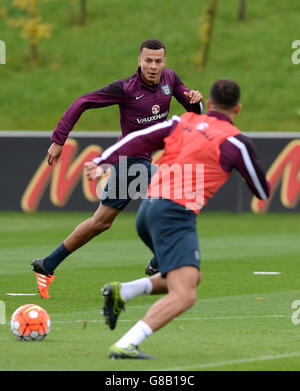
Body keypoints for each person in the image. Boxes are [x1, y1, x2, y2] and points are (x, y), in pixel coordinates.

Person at [85, 78, 270, 359]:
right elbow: (261, 190)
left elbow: (137, 139)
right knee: (185, 294)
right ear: (238, 109)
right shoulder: (236, 141)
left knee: (190, 276)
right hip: (175, 213)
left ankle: (124, 291)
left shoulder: (181, 122)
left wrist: (101, 161)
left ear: (208, 105)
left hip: (148, 210)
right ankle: (126, 344)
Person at [31, 38, 204, 299]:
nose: (153, 66)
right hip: (131, 163)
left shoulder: (170, 80)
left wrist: (195, 101)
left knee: (100, 222)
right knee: (181, 193)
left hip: (140, 164)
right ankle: (159, 261)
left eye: (158, 61)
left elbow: (195, 114)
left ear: (164, 62)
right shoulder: (125, 88)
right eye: (148, 60)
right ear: (139, 60)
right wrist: (59, 139)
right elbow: (82, 102)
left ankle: (47, 264)